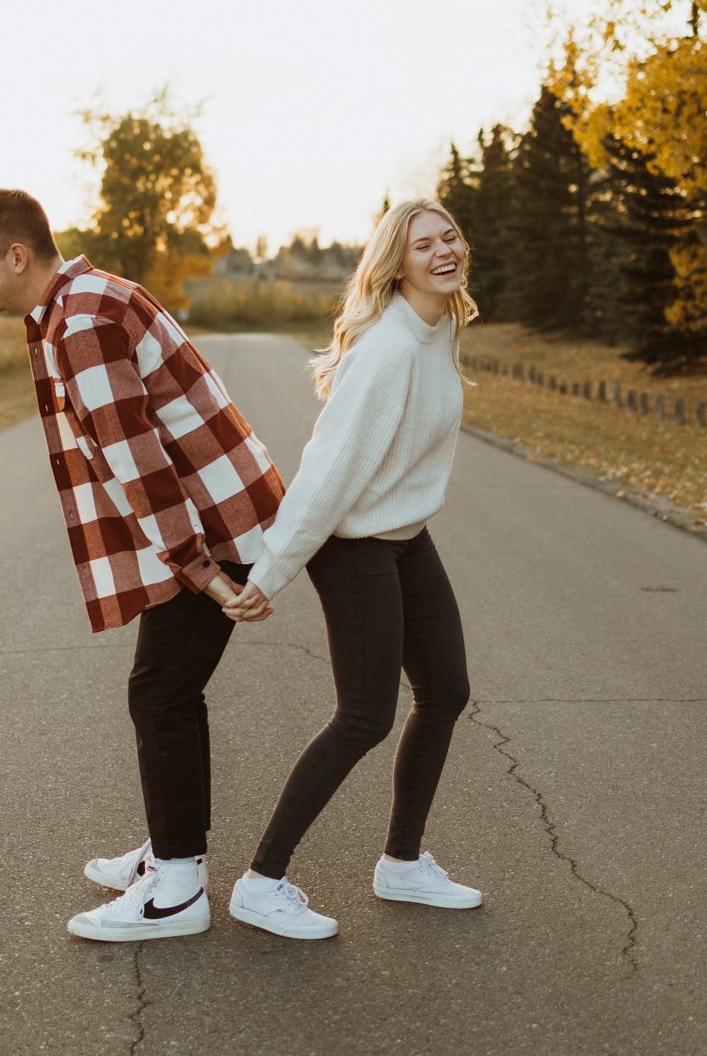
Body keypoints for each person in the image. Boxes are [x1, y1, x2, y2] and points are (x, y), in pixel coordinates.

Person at [0, 187, 284, 943]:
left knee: (160, 694)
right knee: (163, 688)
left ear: (17, 255)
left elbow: (141, 467)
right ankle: (170, 851)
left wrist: (203, 571)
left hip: (210, 524)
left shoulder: (84, 324)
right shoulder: (90, 297)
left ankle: (177, 884)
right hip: (217, 513)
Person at [223, 200, 482, 940]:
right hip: (355, 543)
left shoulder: (438, 328)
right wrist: (270, 570)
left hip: (404, 536)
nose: (443, 250)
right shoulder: (391, 348)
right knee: (364, 715)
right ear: (395, 263)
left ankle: (402, 863)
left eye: (450, 237)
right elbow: (328, 473)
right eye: (423, 243)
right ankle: (260, 879)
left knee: (446, 690)